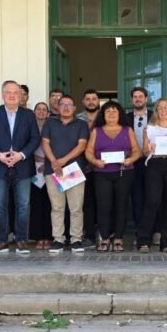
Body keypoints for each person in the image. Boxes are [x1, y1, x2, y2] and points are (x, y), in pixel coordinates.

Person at [0, 80, 40, 254]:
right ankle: (1, 240)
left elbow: (35, 138)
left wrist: (21, 155)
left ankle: (21, 239)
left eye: (16, 92)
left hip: (22, 165)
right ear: (3, 95)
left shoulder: (28, 115)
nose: (12, 95)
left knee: (23, 204)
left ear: (21, 95)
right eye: (9, 92)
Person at [85, 101, 140, 252]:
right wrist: (95, 161)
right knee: (103, 206)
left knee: (121, 205)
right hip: (102, 173)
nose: (111, 113)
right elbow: (88, 151)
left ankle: (118, 239)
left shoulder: (127, 130)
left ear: (119, 114)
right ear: (103, 114)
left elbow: (137, 151)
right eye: (108, 111)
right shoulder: (96, 131)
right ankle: (104, 238)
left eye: (114, 111)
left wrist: (130, 159)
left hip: (124, 172)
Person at [41, 94, 88, 253]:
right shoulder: (50, 122)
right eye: (63, 104)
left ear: (75, 108)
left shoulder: (82, 124)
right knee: (57, 207)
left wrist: (63, 160)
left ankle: (76, 239)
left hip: (73, 171)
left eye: (69, 105)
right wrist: (55, 162)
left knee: (76, 208)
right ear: (57, 107)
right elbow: (45, 143)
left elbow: (82, 146)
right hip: (53, 171)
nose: (66, 107)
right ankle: (58, 239)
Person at [137, 98, 167, 253]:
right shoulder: (150, 129)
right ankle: (144, 241)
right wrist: (149, 147)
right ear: (156, 111)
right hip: (154, 165)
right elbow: (144, 151)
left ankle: (166, 242)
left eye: (166, 107)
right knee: (152, 202)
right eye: (160, 108)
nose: (163, 110)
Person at [125, 87, 156, 237]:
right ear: (132, 100)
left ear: (146, 99)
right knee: (137, 199)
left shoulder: (154, 116)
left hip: (152, 162)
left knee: (152, 197)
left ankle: (154, 231)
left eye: (140, 96)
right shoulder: (125, 118)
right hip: (132, 163)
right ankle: (140, 232)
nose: (138, 99)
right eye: (135, 97)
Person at [77, 89, 101, 246]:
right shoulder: (76, 119)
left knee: (104, 202)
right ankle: (90, 237)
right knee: (86, 203)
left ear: (98, 101)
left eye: (94, 99)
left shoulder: (106, 117)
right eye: (88, 99)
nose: (91, 101)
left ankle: (106, 235)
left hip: (102, 167)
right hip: (82, 167)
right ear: (83, 101)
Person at [29, 102, 53, 249]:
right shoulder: (29, 127)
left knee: (50, 204)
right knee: (36, 205)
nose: (41, 112)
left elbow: (57, 147)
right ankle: (38, 237)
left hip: (50, 168)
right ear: (34, 112)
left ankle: (49, 237)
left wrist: (47, 163)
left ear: (48, 113)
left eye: (44, 110)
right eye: (39, 109)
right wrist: (38, 161)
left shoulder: (52, 127)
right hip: (33, 169)